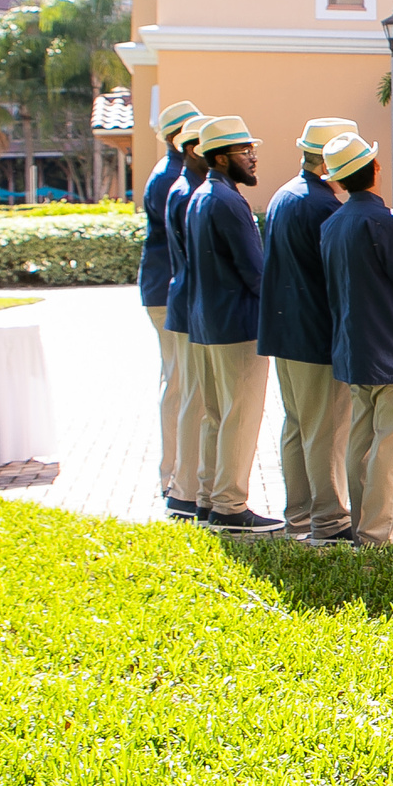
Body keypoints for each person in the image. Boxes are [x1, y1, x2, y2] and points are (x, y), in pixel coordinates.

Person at [318, 131, 393, 554]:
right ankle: (380, 534)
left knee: (362, 441)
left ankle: (366, 526)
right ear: (375, 169)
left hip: (355, 350)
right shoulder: (388, 222)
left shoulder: (332, 225)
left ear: (337, 181)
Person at [258, 117, 359, 543]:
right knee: (325, 430)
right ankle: (329, 519)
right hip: (315, 332)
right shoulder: (323, 205)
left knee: (298, 426)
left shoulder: (285, 194)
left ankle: (299, 514)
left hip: (285, 332)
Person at [184, 116, 281, 533]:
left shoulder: (200, 196)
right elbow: (255, 270)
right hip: (238, 325)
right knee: (239, 417)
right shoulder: (228, 200)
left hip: (206, 323)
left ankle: (209, 499)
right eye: (245, 152)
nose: (253, 158)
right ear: (221, 158)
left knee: (216, 415)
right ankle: (229, 505)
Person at [137, 98, 198, 513]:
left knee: (175, 378)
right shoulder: (173, 178)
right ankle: (173, 475)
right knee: (177, 382)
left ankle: (176, 472)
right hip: (166, 291)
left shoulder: (170, 173)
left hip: (162, 288)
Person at [160, 113, 212, 520]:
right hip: (192, 307)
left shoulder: (189, 187)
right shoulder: (187, 191)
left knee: (196, 399)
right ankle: (185, 490)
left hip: (191, 305)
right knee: (194, 400)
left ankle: (189, 487)